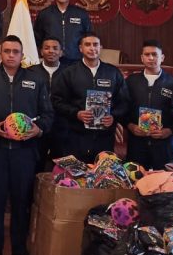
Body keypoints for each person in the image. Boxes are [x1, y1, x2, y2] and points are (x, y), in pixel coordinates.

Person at [0, 36, 52, 255]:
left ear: (22, 55)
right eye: (7, 51)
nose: (11, 55)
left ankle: (20, 251)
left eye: (16, 52)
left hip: (25, 153)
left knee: (22, 202)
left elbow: (48, 114)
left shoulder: (37, 79)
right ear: (0, 53)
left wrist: (39, 130)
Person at [50, 33, 129, 162]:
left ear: (100, 47)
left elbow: (124, 102)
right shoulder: (68, 72)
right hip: (76, 137)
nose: (92, 48)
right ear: (81, 48)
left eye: (95, 44)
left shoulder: (113, 73)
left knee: (102, 172)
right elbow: (57, 101)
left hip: (104, 138)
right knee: (77, 173)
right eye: (87, 45)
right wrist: (76, 113)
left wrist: (113, 116)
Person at [124, 40, 173, 170]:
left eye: (154, 54)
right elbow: (123, 108)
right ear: (142, 58)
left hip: (164, 145)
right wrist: (130, 126)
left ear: (162, 57)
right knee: (136, 180)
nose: (151, 58)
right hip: (137, 144)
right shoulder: (131, 81)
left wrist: (169, 131)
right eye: (147, 54)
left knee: (164, 181)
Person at [33, 0, 92, 67]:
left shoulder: (81, 14)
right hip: (52, 61)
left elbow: (88, 37)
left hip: (76, 61)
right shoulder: (45, 14)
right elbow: (37, 38)